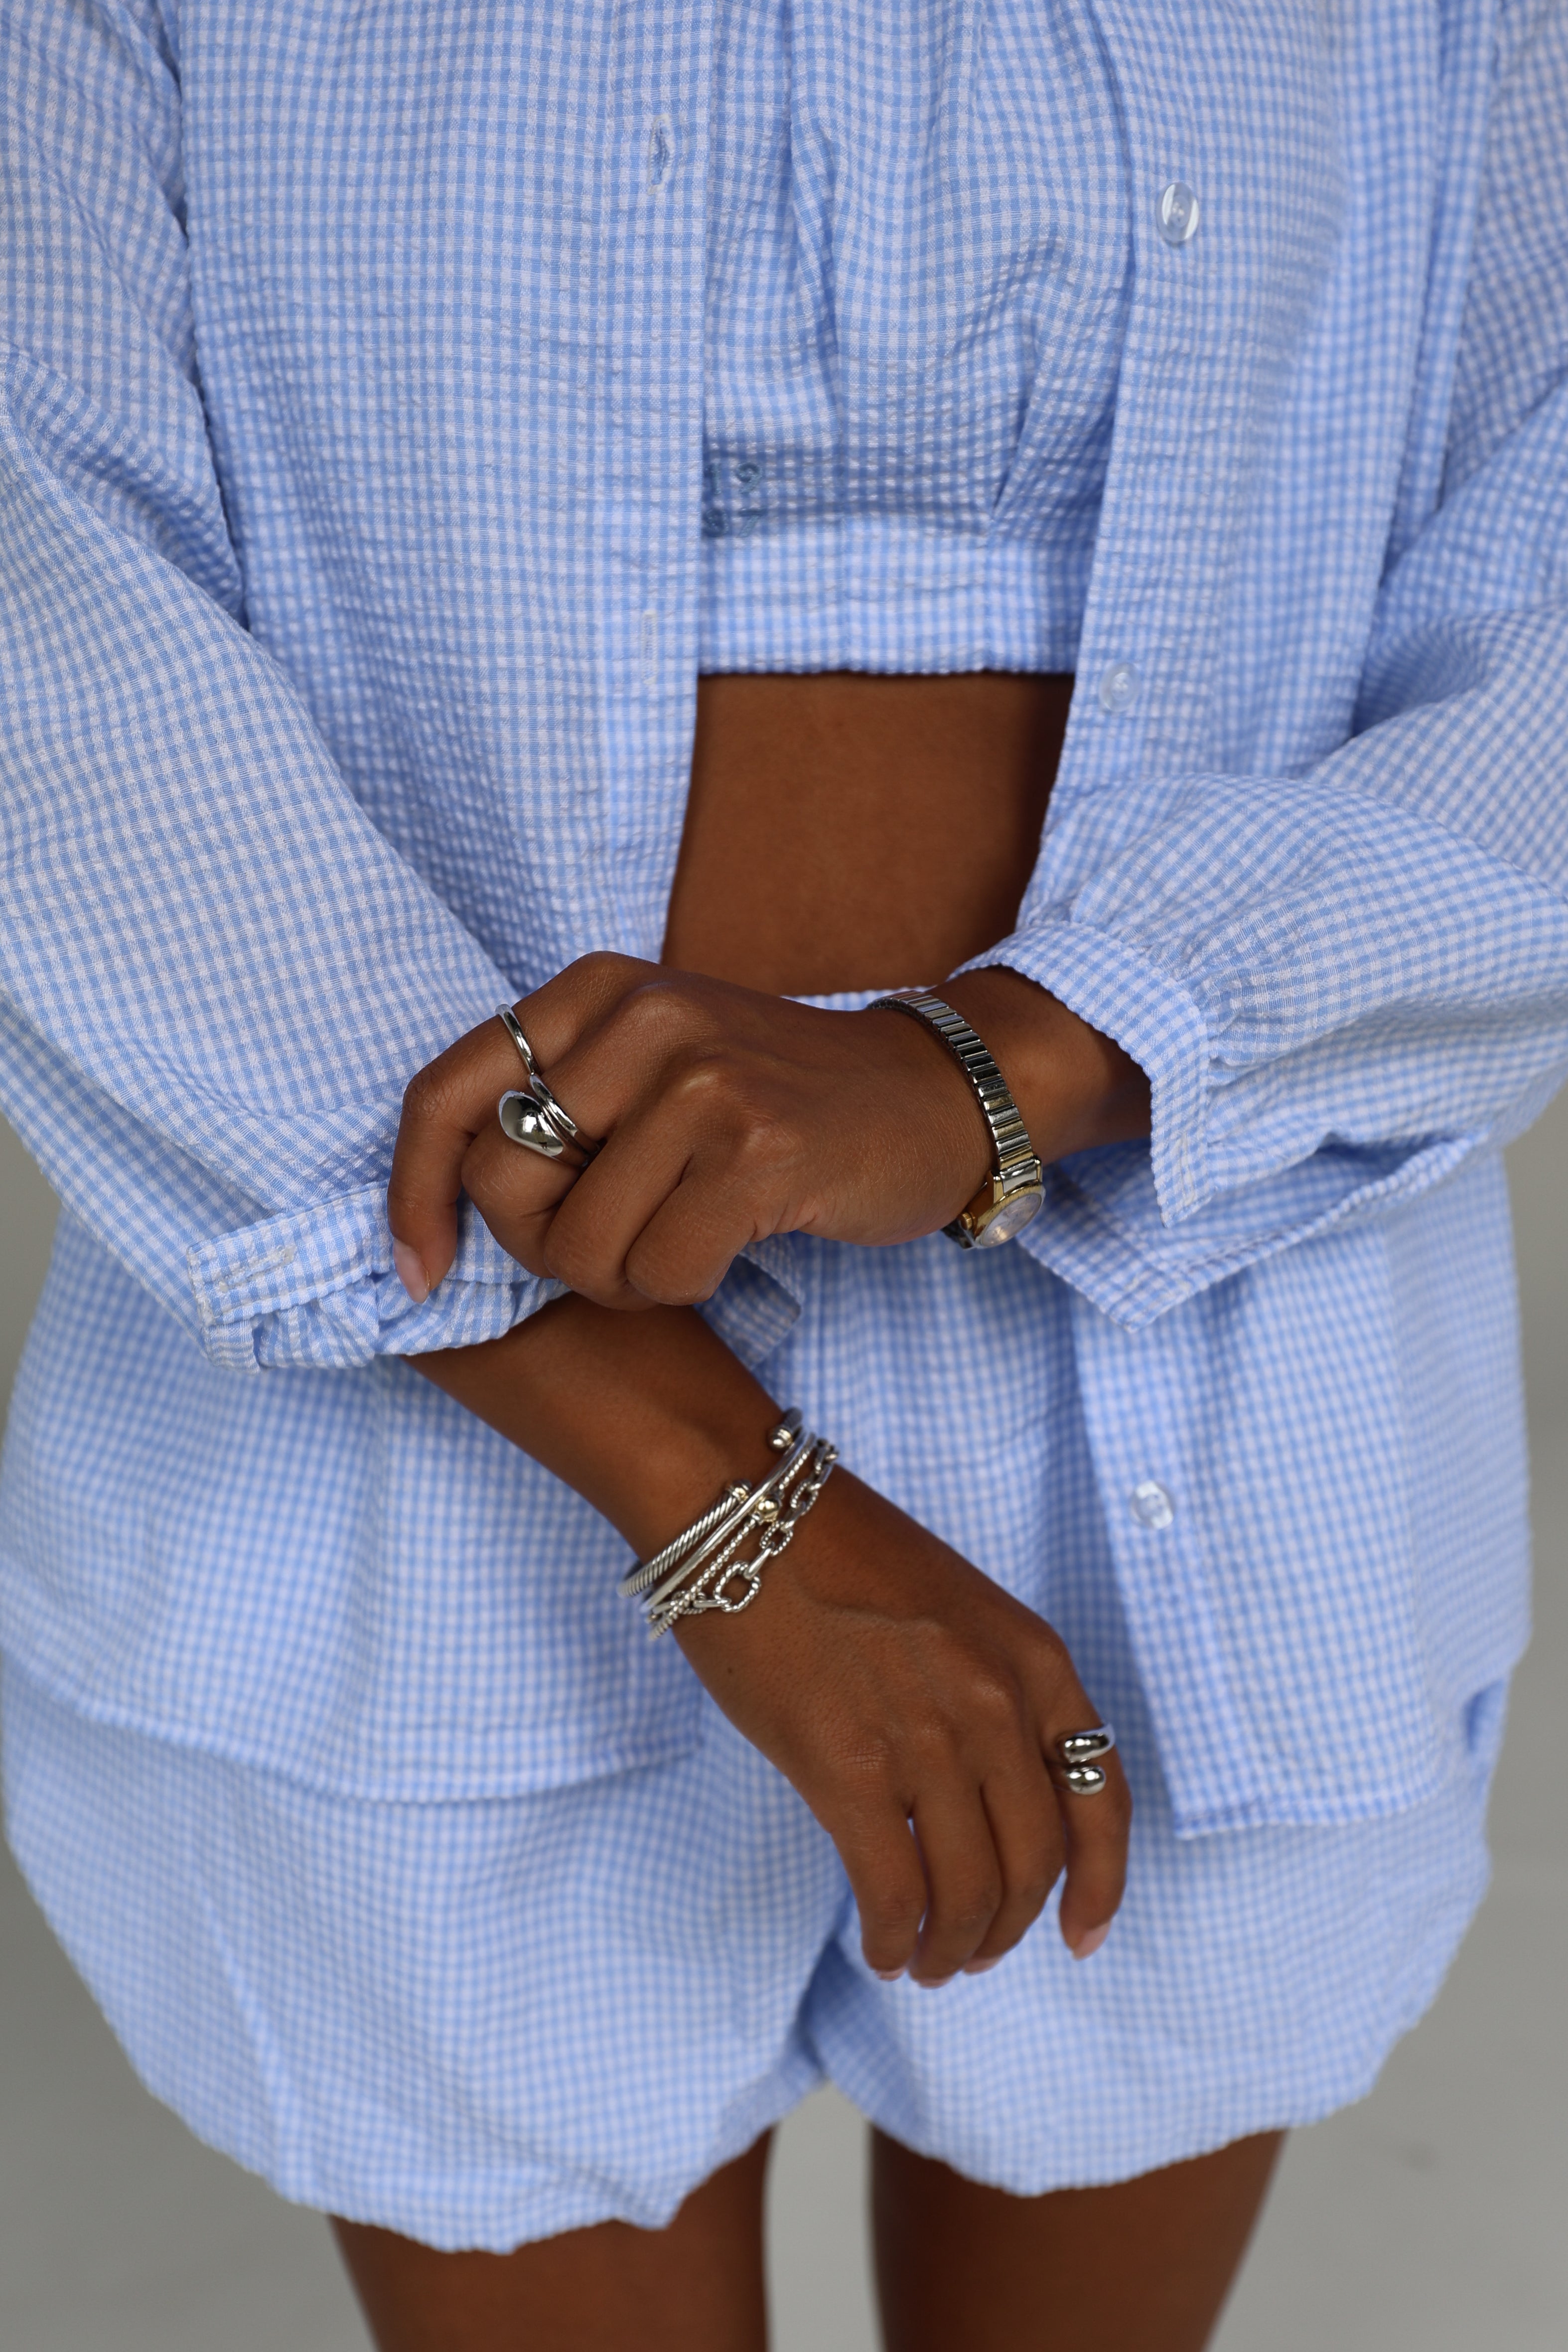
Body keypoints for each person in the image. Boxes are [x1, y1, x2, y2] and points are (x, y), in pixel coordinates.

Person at [1, 1, 1565, 2346]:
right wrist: (710, 1480)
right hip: (433, 1400)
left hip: (1206, 1345)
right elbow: (40, 610)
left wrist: (1001, 1068)